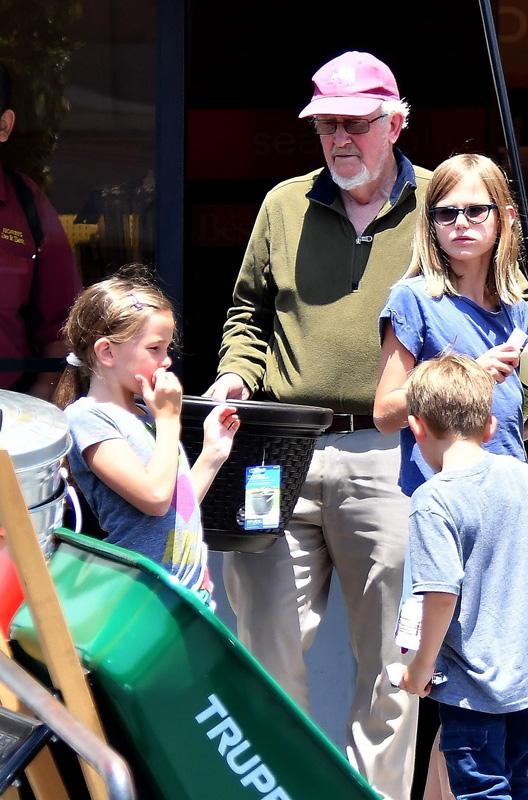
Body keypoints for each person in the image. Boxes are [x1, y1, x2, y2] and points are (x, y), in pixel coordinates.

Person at [204, 51, 427, 799]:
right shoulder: (284, 204)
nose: (340, 140)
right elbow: (247, 313)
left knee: (394, 661)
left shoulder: (444, 203)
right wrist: (235, 371)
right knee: (264, 648)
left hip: (393, 452)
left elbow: (496, 303)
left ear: (396, 121)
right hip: (279, 448)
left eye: (356, 124)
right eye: (327, 124)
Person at [373, 152, 528, 800]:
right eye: (444, 212)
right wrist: (467, 371)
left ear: (503, 219)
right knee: (453, 686)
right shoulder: (413, 299)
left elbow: (516, 431)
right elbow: (384, 411)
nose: (458, 223)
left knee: (477, 693)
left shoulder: (521, 309)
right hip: (443, 511)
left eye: (473, 210)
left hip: (509, 510)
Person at [398, 353, 528, 800]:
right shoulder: (518, 475)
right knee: (518, 783)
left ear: (417, 427)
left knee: (482, 791)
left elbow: (441, 594)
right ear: (489, 428)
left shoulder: (432, 500)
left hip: (471, 688)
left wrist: (420, 668)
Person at [55, 266, 239, 600]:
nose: (166, 361)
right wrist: (169, 422)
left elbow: (174, 506)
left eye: (167, 348)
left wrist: (212, 455)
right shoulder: (88, 417)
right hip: (139, 597)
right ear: (107, 352)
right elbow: (153, 499)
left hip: (185, 594)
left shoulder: (146, 415)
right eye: (155, 349)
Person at [0, 62, 82, 400]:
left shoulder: (26, 205)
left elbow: (64, 322)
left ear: (4, 126)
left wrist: (41, 398)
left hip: (10, 415)